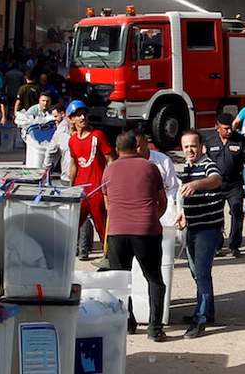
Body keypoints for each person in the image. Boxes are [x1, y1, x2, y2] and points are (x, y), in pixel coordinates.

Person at [103, 130, 168, 343]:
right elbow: (162, 200)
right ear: (136, 147)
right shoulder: (150, 167)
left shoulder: (109, 170)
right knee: (154, 280)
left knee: (120, 282)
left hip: (117, 232)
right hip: (146, 231)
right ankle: (155, 328)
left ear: (117, 149)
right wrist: (152, 218)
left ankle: (127, 323)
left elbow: (108, 205)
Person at [177, 130, 224, 338]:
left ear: (201, 147)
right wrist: (183, 212)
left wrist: (197, 184)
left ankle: (200, 319)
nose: (190, 150)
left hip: (208, 230)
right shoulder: (187, 168)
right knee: (198, 273)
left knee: (202, 274)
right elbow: (187, 196)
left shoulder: (207, 165)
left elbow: (216, 179)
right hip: (192, 227)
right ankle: (207, 312)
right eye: (186, 146)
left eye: (193, 146)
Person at [203, 112, 245, 257]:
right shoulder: (210, 141)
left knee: (237, 212)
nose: (229, 131)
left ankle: (234, 245)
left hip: (234, 183)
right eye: (225, 128)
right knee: (215, 214)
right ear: (217, 127)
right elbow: (203, 161)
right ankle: (217, 244)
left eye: (231, 128)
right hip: (215, 184)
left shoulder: (240, 140)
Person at [68, 100, 115, 261]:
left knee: (102, 226)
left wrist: (112, 184)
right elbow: (74, 165)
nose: (83, 117)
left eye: (84, 114)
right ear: (71, 119)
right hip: (80, 191)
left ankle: (110, 257)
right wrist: (71, 187)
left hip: (97, 190)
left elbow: (110, 160)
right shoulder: (72, 141)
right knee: (72, 225)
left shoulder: (97, 136)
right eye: (78, 115)